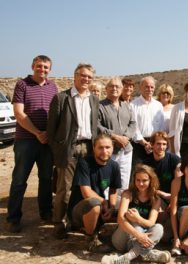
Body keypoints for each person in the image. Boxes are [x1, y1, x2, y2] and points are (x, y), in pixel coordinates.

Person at [6, 55, 58, 233]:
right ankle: (13, 218)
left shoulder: (53, 87)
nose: (42, 69)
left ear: (49, 70)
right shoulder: (22, 84)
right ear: (32, 66)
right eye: (39, 66)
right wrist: (37, 133)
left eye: (45, 67)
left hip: (46, 141)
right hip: (26, 141)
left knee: (45, 179)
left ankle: (46, 213)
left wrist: (48, 135)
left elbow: (56, 112)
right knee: (20, 180)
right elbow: (19, 113)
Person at [47, 63, 99, 239]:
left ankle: (77, 220)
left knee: (84, 187)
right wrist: (58, 150)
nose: (86, 79)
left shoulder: (93, 99)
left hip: (89, 148)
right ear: (75, 76)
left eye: (89, 77)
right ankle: (59, 223)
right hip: (68, 148)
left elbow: (94, 127)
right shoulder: (62, 98)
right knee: (64, 187)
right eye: (82, 75)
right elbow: (51, 129)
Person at [102, 164, 171, 264]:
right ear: (134, 180)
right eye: (138, 180)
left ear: (151, 180)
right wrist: (138, 234)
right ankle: (148, 254)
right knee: (133, 222)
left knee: (159, 228)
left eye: (144, 180)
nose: (141, 183)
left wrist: (138, 218)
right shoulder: (127, 194)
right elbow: (120, 220)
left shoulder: (155, 199)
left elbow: (151, 223)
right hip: (122, 239)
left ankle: (128, 257)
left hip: (139, 241)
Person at [67, 134, 121, 251]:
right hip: (80, 211)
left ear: (112, 148)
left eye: (107, 147)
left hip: (101, 206)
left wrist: (111, 207)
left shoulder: (114, 166)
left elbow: (113, 190)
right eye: (100, 148)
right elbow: (86, 192)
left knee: (125, 207)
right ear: (94, 148)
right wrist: (104, 202)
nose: (104, 151)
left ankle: (118, 234)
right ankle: (91, 238)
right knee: (94, 204)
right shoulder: (84, 163)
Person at [98, 77, 136, 201]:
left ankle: (120, 208)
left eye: (117, 86)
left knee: (123, 181)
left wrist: (125, 137)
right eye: (111, 86)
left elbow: (133, 123)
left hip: (126, 150)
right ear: (106, 89)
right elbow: (97, 126)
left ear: (121, 89)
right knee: (106, 180)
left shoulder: (127, 106)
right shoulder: (100, 106)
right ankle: (106, 208)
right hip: (109, 151)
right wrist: (115, 136)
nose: (114, 89)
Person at [130, 76, 165, 167]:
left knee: (154, 173)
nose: (149, 89)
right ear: (141, 87)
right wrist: (145, 143)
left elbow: (161, 126)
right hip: (139, 145)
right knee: (138, 172)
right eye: (146, 86)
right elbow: (133, 127)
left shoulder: (158, 105)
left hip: (155, 144)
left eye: (152, 87)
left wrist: (154, 143)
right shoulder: (133, 105)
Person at [144, 131, 181, 202]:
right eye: (158, 144)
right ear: (152, 144)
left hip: (171, 197)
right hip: (152, 197)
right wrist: (158, 193)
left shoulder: (174, 160)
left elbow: (179, 183)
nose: (161, 147)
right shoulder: (146, 162)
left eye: (164, 144)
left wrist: (173, 200)